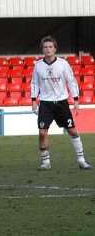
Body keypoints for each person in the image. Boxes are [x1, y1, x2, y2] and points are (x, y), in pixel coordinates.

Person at [31, 36, 92, 170]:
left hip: (61, 103)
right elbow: (34, 83)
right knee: (42, 132)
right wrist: (33, 100)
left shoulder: (63, 64)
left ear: (55, 49)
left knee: (72, 130)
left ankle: (81, 159)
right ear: (42, 49)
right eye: (45, 47)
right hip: (45, 103)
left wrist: (75, 100)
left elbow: (71, 81)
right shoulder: (38, 65)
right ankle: (45, 162)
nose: (48, 49)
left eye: (50, 47)